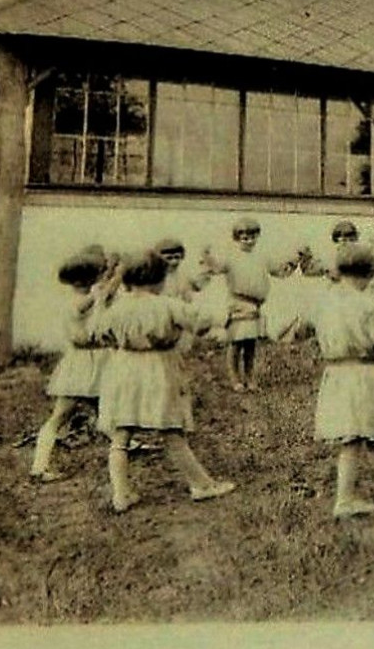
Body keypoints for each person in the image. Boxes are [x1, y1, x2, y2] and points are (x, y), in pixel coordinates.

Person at [272, 244, 374, 518]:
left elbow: (291, 333)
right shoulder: (368, 306)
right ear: (370, 274)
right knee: (354, 437)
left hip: (334, 373)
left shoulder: (323, 302)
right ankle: (344, 500)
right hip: (361, 374)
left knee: (370, 434)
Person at [92, 251, 233, 513]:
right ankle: (201, 484)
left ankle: (121, 494)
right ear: (159, 279)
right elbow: (200, 322)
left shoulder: (117, 307)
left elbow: (100, 334)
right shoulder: (166, 304)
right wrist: (222, 317)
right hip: (158, 369)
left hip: (123, 369)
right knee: (171, 431)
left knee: (121, 436)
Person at [30, 250, 118, 482]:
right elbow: (96, 299)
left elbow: (101, 293)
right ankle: (40, 466)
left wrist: (110, 273)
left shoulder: (75, 298)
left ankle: (40, 465)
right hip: (89, 363)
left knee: (98, 411)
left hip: (82, 363)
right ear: (93, 278)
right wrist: (115, 274)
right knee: (64, 416)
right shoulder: (84, 301)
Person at [201, 217, 302, 392]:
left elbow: (279, 270)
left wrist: (294, 259)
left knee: (250, 345)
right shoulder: (231, 257)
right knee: (236, 343)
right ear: (237, 238)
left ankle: (250, 378)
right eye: (243, 236)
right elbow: (217, 268)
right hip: (238, 304)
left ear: (257, 236)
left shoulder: (262, 257)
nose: (247, 240)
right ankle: (235, 379)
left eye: (251, 236)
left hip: (255, 306)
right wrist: (207, 256)